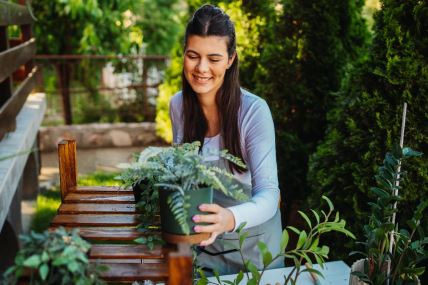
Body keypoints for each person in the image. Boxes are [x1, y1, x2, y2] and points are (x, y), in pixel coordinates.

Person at [169, 4, 283, 275]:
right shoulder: (178, 106)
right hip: (205, 247)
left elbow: (270, 195)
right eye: (193, 55)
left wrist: (229, 218)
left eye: (214, 58)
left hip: (257, 252)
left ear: (231, 59)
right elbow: (182, 178)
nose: (202, 68)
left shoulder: (254, 112)